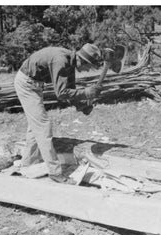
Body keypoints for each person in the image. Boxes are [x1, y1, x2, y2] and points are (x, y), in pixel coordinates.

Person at [14, 43, 103, 183]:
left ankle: (27, 164)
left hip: (35, 84)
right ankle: (55, 173)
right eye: (88, 67)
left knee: (35, 126)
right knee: (43, 125)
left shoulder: (71, 63)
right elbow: (61, 93)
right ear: (82, 60)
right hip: (26, 83)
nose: (86, 70)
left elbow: (70, 91)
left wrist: (82, 105)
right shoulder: (61, 60)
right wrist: (86, 92)